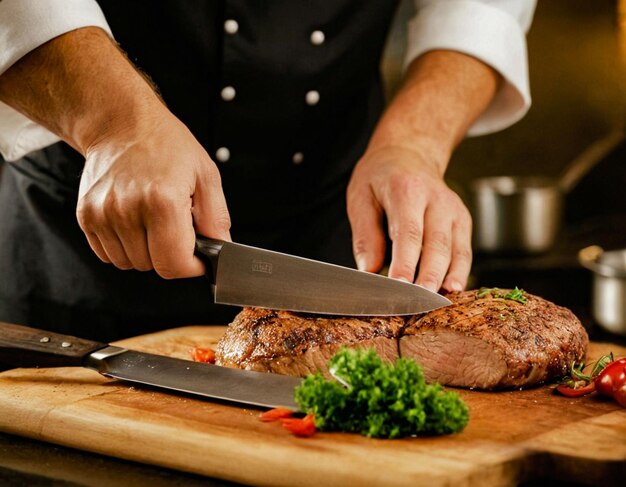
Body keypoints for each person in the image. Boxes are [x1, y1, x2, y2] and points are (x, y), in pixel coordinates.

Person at [0, 0, 536, 341]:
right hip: (80, 262)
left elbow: (482, 7)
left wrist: (415, 144)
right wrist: (115, 122)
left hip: (338, 247)